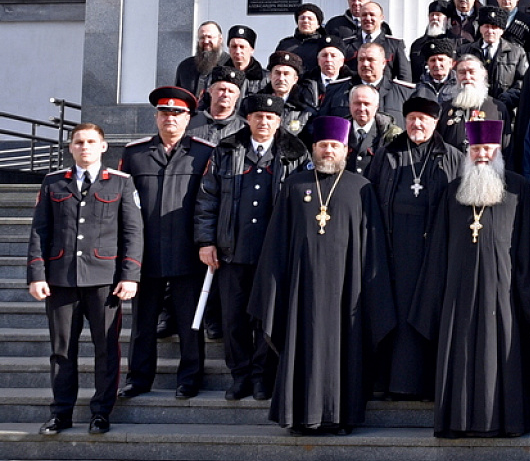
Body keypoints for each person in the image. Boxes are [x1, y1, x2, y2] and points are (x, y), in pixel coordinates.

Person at [249, 116, 395, 435]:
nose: (328, 150)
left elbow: (372, 246)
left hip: (347, 290)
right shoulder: (295, 185)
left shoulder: (361, 188)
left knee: (346, 353)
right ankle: (299, 416)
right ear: (313, 149)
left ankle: (340, 418)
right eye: (323, 145)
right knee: (302, 347)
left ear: (346, 149)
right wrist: (274, 288)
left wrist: (372, 290)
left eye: (335, 146)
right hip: (302, 289)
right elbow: (277, 241)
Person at [416, 120, 530, 438]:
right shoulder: (451, 192)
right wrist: (437, 294)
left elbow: (526, 247)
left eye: (488, 149)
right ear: (468, 152)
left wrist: (527, 298)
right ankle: (458, 421)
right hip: (459, 290)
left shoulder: (517, 188)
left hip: (503, 290)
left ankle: (504, 421)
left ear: (498, 152)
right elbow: (438, 249)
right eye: (476, 149)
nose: (482, 154)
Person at [28, 123, 142, 436]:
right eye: (79, 142)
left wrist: (130, 276)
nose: (85, 147)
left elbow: (133, 233)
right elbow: (40, 231)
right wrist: (37, 274)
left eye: (92, 141)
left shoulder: (120, 183)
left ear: (104, 147)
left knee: (106, 349)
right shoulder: (53, 182)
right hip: (61, 279)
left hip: (105, 281)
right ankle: (61, 413)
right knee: (62, 350)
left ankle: (101, 413)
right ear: (70, 147)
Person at [194, 93, 309, 402]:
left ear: (279, 121)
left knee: (267, 317)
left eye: (271, 117)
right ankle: (240, 376)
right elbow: (208, 198)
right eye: (258, 116)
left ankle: (262, 377)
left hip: (274, 253)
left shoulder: (295, 153)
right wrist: (206, 241)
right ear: (248, 119)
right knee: (233, 318)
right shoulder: (227, 150)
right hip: (233, 251)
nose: (264, 122)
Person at [119, 87, 216, 400]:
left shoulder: (204, 152)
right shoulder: (134, 154)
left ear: (189, 118)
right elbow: (122, 205)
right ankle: (138, 378)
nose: (170, 119)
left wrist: (206, 241)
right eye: (164, 113)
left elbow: (209, 201)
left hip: (188, 250)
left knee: (190, 321)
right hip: (145, 252)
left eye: (177, 114)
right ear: (156, 117)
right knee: (143, 322)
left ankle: (189, 378)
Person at [365, 96, 462, 399]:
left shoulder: (453, 156)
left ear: (435, 122)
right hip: (392, 249)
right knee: (394, 313)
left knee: (427, 313)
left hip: (434, 249)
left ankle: (427, 384)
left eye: (423, 119)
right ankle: (392, 383)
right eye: (411, 119)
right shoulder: (386, 154)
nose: (417, 124)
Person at [322, 42, 415, 128]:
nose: (365, 64)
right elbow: (322, 125)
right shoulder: (336, 90)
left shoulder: (404, 93)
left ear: (383, 63)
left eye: (371, 60)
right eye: (361, 60)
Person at [460, 6, 527, 113]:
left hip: (503, 111)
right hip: (471, 109)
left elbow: (523, 82)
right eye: (486, 26)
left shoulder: (517, 53)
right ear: (480, 28)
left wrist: (507, 99)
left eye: (494, 27)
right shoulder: (464, 51)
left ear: (502, 30)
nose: (490, 31)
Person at [436, 55, 509, 151]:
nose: (467, 77)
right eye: (462, 73)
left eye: (472, 72)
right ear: (456, 76)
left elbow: (507, 149)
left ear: (483, 74)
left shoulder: (497, 109)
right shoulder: (444, 108)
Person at [342, 1, 412, 82]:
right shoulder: (346, 44)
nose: (368, 18)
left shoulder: (395, 44)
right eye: (364, 15)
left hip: (384, 92)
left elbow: (405, 77)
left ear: (381, 18)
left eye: (372, 15)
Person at [344, 84, 402, 176]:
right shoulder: (340, 131)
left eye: (367, 104)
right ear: (350, 105)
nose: (362, 108)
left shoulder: (390, 133)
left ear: (376, 107)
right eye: (357, 103)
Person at [259, 50, 316, 137]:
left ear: (295, 79)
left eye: (286, 74)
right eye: (277, 73)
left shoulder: (306, 112)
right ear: (270, 76)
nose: (281, 78)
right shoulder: (255, 104)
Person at [187, 66, 247, 143]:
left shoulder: (243, 128)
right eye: (221, 89)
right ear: (210, 91)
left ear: (237, 96)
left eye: (231, 91)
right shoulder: (190, 120)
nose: (226, 94)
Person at [175, 21, 230, 99]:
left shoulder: (230, 64)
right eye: (202, 38)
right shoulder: (185, 66)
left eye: (210, 37)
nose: (206, 41)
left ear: (220, 39)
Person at [274, 3, 328, 73]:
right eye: (302, 18)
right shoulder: (285, 44)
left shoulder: (323, 45)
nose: (305, 21)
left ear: (318, 24)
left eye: (310, 19)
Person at [225, 25, 268, 97]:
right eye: (234, 46)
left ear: (252, 50)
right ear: (229, 49)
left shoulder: (265, 79)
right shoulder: (218, 76)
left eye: (242, 47)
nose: (238, 51)